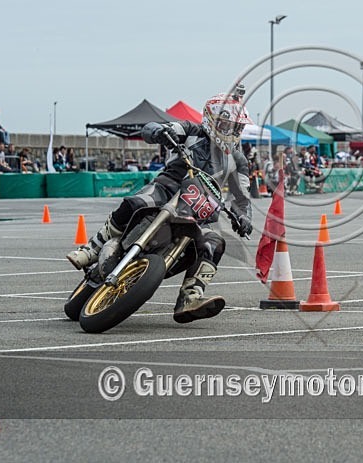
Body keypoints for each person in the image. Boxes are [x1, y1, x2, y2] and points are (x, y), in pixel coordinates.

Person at [66, 86, 254, 323]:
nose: (232, 132)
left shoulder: (238, 159)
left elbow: (242, 196)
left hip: (200, 209)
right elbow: (156, 128)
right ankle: (92, 248)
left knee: (214, 242)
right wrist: (159, 131)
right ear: (211, 120)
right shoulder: (191, 130)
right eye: (227, 125)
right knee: (136, 203)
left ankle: (191, 296)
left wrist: (244, 217)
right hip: (168, 189)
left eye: (236, 127)